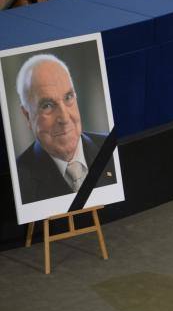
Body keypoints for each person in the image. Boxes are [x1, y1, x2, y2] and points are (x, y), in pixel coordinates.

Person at [14, 54, 117, 204]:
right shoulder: (20, 180)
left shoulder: (110, 148)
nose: (64, 118)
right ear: (27, 116)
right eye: (47, 105)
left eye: (68, 97)